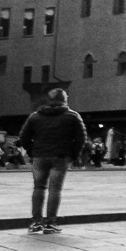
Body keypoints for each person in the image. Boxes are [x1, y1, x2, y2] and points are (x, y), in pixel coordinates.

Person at [18, 89, 87, 235]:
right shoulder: (72, 116)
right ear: (64, 100)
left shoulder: (35, 116)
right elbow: (81, 139)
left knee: (38, 188)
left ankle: (36, 222)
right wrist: (73, 156)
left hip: (39, 157)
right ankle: (50, 223)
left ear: (48, 100)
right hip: (61, 157)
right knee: (55, 189)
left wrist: (32, 152)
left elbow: (23, 137)